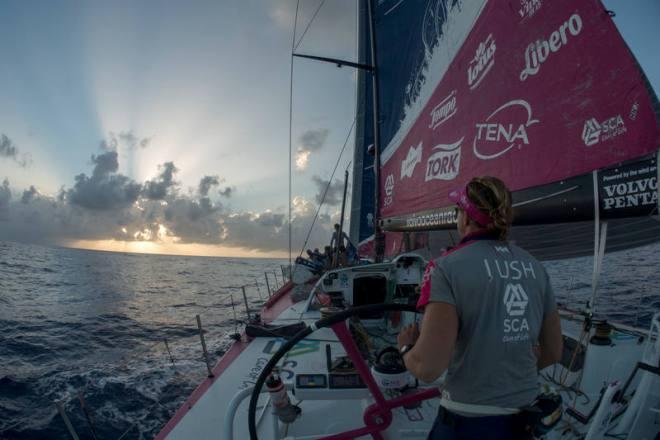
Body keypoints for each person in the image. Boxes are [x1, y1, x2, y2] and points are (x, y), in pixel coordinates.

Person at [397, 176, 563, 440]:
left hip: (468, 422)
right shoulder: (535, 267)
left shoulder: (444, 268)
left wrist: (406, 347)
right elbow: (554, 351)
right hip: (526, 422)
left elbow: (427, 368)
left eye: (458, 211)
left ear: (464, 217)